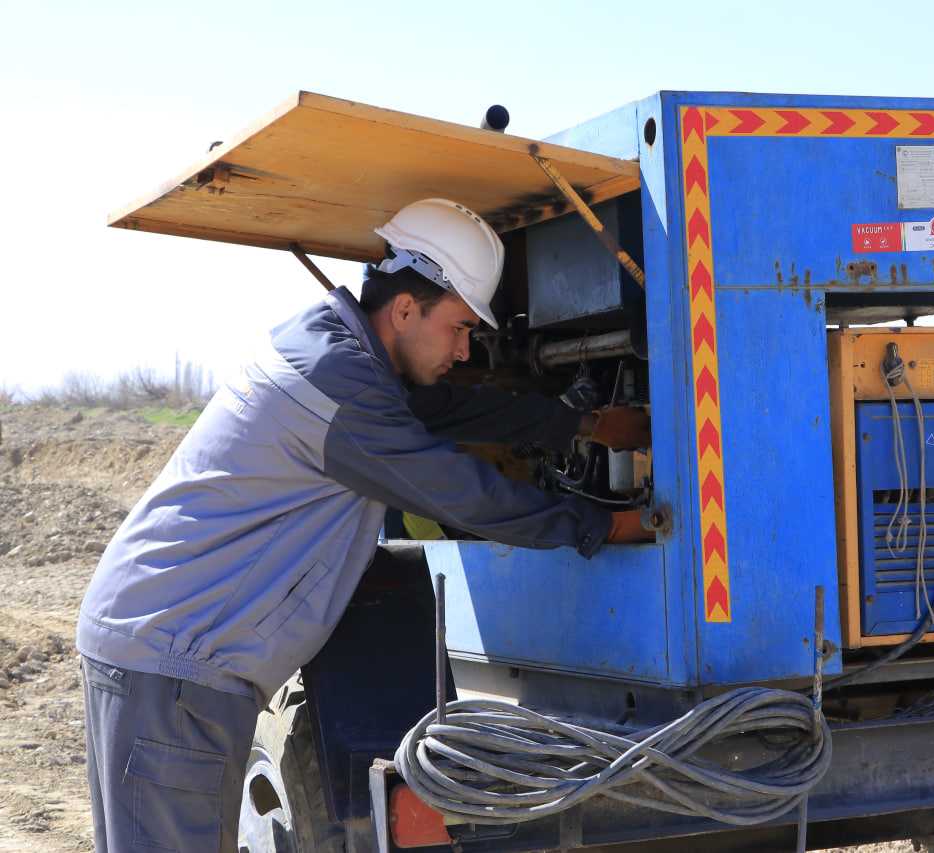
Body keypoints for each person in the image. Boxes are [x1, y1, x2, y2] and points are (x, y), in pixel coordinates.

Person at [75, 197, 651, 852]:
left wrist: (582, 423)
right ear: (405, 309)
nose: (466, 349)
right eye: (460, 327)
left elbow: (449, 409)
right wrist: (602, 527)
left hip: (160, 647)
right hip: (175, 668)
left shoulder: (337, 353)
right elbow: (462, 493)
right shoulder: (339, 388)